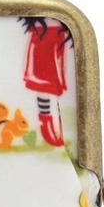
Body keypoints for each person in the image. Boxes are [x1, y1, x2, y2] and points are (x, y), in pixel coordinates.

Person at [20, 16, 73, 147]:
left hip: (57, 39)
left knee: (56, 88)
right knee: (44, 86)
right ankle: (47, 128)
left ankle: (58, 129)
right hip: (42, 40)